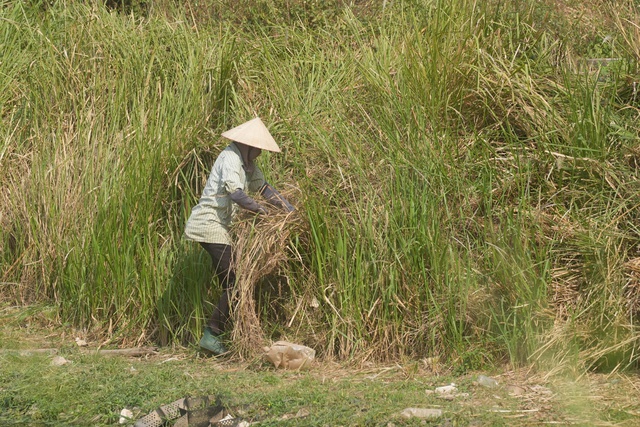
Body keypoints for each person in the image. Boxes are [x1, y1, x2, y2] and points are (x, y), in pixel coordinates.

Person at [183, 117, 295, 355]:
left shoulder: (248, 165)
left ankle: (221, 336)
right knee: (237, 280)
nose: (260, 154)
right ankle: (212, 334)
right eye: (259, 149)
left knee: (231, 281)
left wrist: (288, 209)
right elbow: (236, 193)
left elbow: (264, 188)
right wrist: (261, 210)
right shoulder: (230, 158)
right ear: (249, 145)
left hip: (221, 228)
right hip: (209, 225)